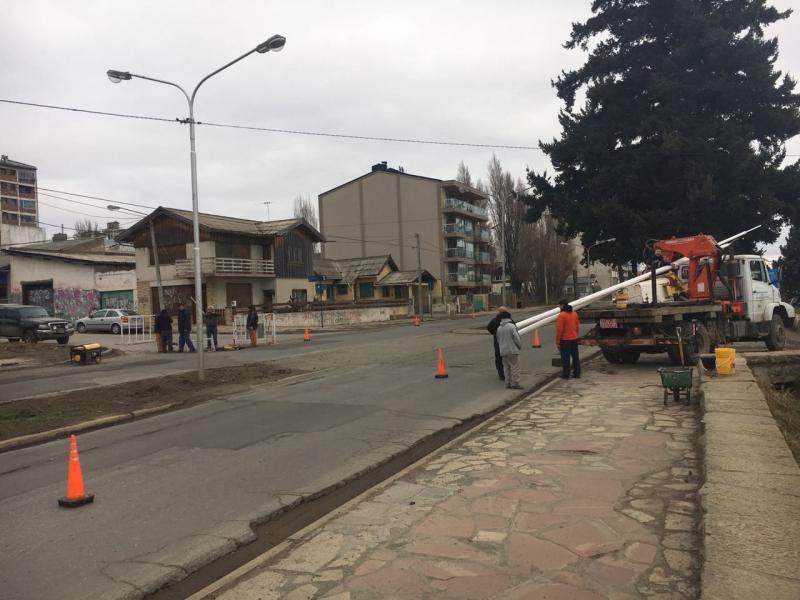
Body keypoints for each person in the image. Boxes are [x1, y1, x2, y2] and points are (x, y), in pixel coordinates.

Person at [495, 308, 522, 389]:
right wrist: (519, 346)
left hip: (503, 351)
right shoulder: (511, 326)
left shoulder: (499, 328)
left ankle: (507, 383)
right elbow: (516, 338)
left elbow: (498, 339)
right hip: (512, 350)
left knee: (506, 368)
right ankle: (515, 383)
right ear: (508, 318)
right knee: (514, 367)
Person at [556, 298, 581, 379]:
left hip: (565, 340)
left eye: (559, 306)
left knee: (566, 358)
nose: (559, 307)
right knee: (575, 357)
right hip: (574, 338)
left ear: (562, 305)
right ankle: (576, 374)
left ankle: (566, 375)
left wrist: (557, 341)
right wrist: (576, 335)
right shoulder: (574, 313)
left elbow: (559, 329)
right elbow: (577, 326)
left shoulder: (562, 315)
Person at [487, 307, 510, 380]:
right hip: (507, 341)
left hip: (497, 342)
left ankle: (500, 373)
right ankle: (508, 372)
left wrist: (494, 333)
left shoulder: (494, 320)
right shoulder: (509, 321)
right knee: (508, 357)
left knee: (498, 357)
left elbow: (488, 328)